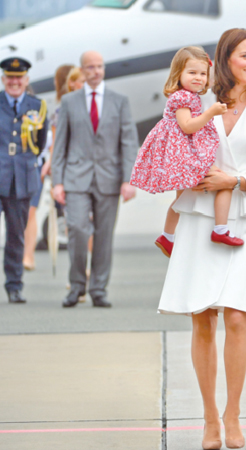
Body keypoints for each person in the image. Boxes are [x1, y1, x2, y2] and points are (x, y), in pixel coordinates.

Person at [157, 28, 246, 450]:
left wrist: (236, 180)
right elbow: (172, 142)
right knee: (202, 318)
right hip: (197, 215)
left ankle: (233, 414)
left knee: (236, 317)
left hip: (241, 219)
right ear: (225, 58)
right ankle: (210, 417)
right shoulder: (196, 101)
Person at [50, 50, 139, 308]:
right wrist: (58, 182)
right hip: (76, 177)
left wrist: (128, 179)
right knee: (77, 229)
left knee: (104, 234)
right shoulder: (69, 102)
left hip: (109, 178)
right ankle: (77, 285)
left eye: (99, 66)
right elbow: (60, 146)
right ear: (82, 70)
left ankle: (98, 288)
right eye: (90, 67)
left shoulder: (119, 101)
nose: (96, 71)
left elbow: (128, 142)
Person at [130, 46, 236, 257]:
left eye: (203, 73)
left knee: (182, 199)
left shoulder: (189, 95)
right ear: (178, 73)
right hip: (182, 153)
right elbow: (187, 126)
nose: (198, 78)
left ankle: (167, 236)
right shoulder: (182, 98)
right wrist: (211, 113)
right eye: (192, 72)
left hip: (182, 150)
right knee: (222, 181)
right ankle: (220, 229)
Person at [0, 57, 48, 304]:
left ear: (26, 80)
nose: (14, 81)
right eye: (10, 77)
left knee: (16, 235)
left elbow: (39, 145)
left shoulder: (37, 106)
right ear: (3, 79)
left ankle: (14, 285)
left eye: (19, 78)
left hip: (21, 180)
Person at [22, 64, 70, 271]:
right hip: (28, 167)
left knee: (31, 210)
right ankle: (26, 255)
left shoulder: (41, 113)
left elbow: (48, 143)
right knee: (28, 211)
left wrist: (51, 163)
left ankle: (28, 255)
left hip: (38, 166)